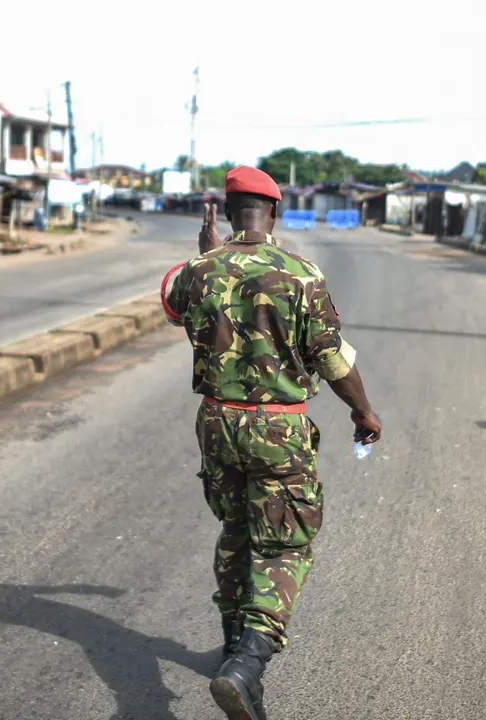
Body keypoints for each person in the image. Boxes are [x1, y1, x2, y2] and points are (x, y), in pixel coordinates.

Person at [165, 165, 382, 720]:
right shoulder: (302, 274)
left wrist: (207, 255)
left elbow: (173, 305)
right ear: (276, 212)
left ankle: (234, 648)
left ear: (228, 210)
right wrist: (363, 411)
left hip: (217, 422)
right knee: (284, 543)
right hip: (277, 430)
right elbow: (332, 360)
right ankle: (248, 662)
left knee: (236, 527)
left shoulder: (200, 271)